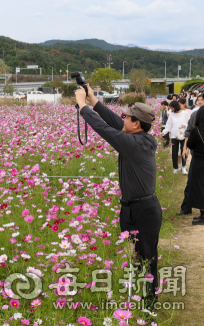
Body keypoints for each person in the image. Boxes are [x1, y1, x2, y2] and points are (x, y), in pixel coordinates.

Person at [75, 85, 161, 309]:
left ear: (137, 123)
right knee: (132, 255)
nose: (124, 119)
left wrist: (83, 107)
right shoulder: (135, 138)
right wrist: (93, 100)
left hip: (145, 211)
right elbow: (114, 123)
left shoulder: (135, 144)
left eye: (128, 117)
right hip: (130, 208)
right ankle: (136, 296)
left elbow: (105, 130)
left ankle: (149, 303)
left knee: (147, 256)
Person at [177, 94, 204, 216]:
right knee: (191, 183)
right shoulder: (195, 114)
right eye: (199, 100)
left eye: (201, 100)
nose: (200, 102)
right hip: (198, 156)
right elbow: (188, 132)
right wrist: (184, 148)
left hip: (199, 156)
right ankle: (186, 207)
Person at [186, 106, 204, 224]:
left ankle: (203, 216)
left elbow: (190, 145)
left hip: (199, 162)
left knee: (200, 188)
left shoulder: (196, 130)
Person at [162, 100, 190, 174]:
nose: (171, 109)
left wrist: (185, 126)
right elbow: (168, 126)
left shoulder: (185, 113)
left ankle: (184, 167)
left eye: (172, 107)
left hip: (183, 135)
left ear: (176, 106)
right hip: (174, 136)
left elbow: (189, 123)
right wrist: (163, 132)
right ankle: (175, 167)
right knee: (174, 152)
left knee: (183, 151)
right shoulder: (171, 115)